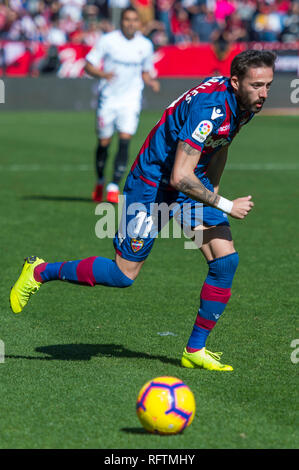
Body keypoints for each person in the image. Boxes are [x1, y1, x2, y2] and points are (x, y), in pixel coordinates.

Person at [10, 50, 276, 372]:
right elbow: (179, 177)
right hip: (152, 185)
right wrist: (224, 205)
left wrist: (213, 192)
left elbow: (221, 146)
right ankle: (39, 271)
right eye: (257, 85)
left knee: (225, 261)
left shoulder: (244, 104)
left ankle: (195, 349)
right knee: (123, 275)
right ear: (236, 82)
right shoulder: (211, 108)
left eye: (268, 85)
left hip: (192, 180)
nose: (264, 93)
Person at [84, 6, 160, 204]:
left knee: (125, 139)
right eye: (127, 19)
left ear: (139, 23)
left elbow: (145, 71)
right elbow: (88, 64)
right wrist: (103, 74)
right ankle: (100, 180)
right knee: (104, 142)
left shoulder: (145, 45)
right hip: (109, 99)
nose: (131, 23)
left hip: (130, 100)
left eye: (134, 20)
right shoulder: (108, 41)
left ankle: (113, 186)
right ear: (121, 21)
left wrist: (151, 81)